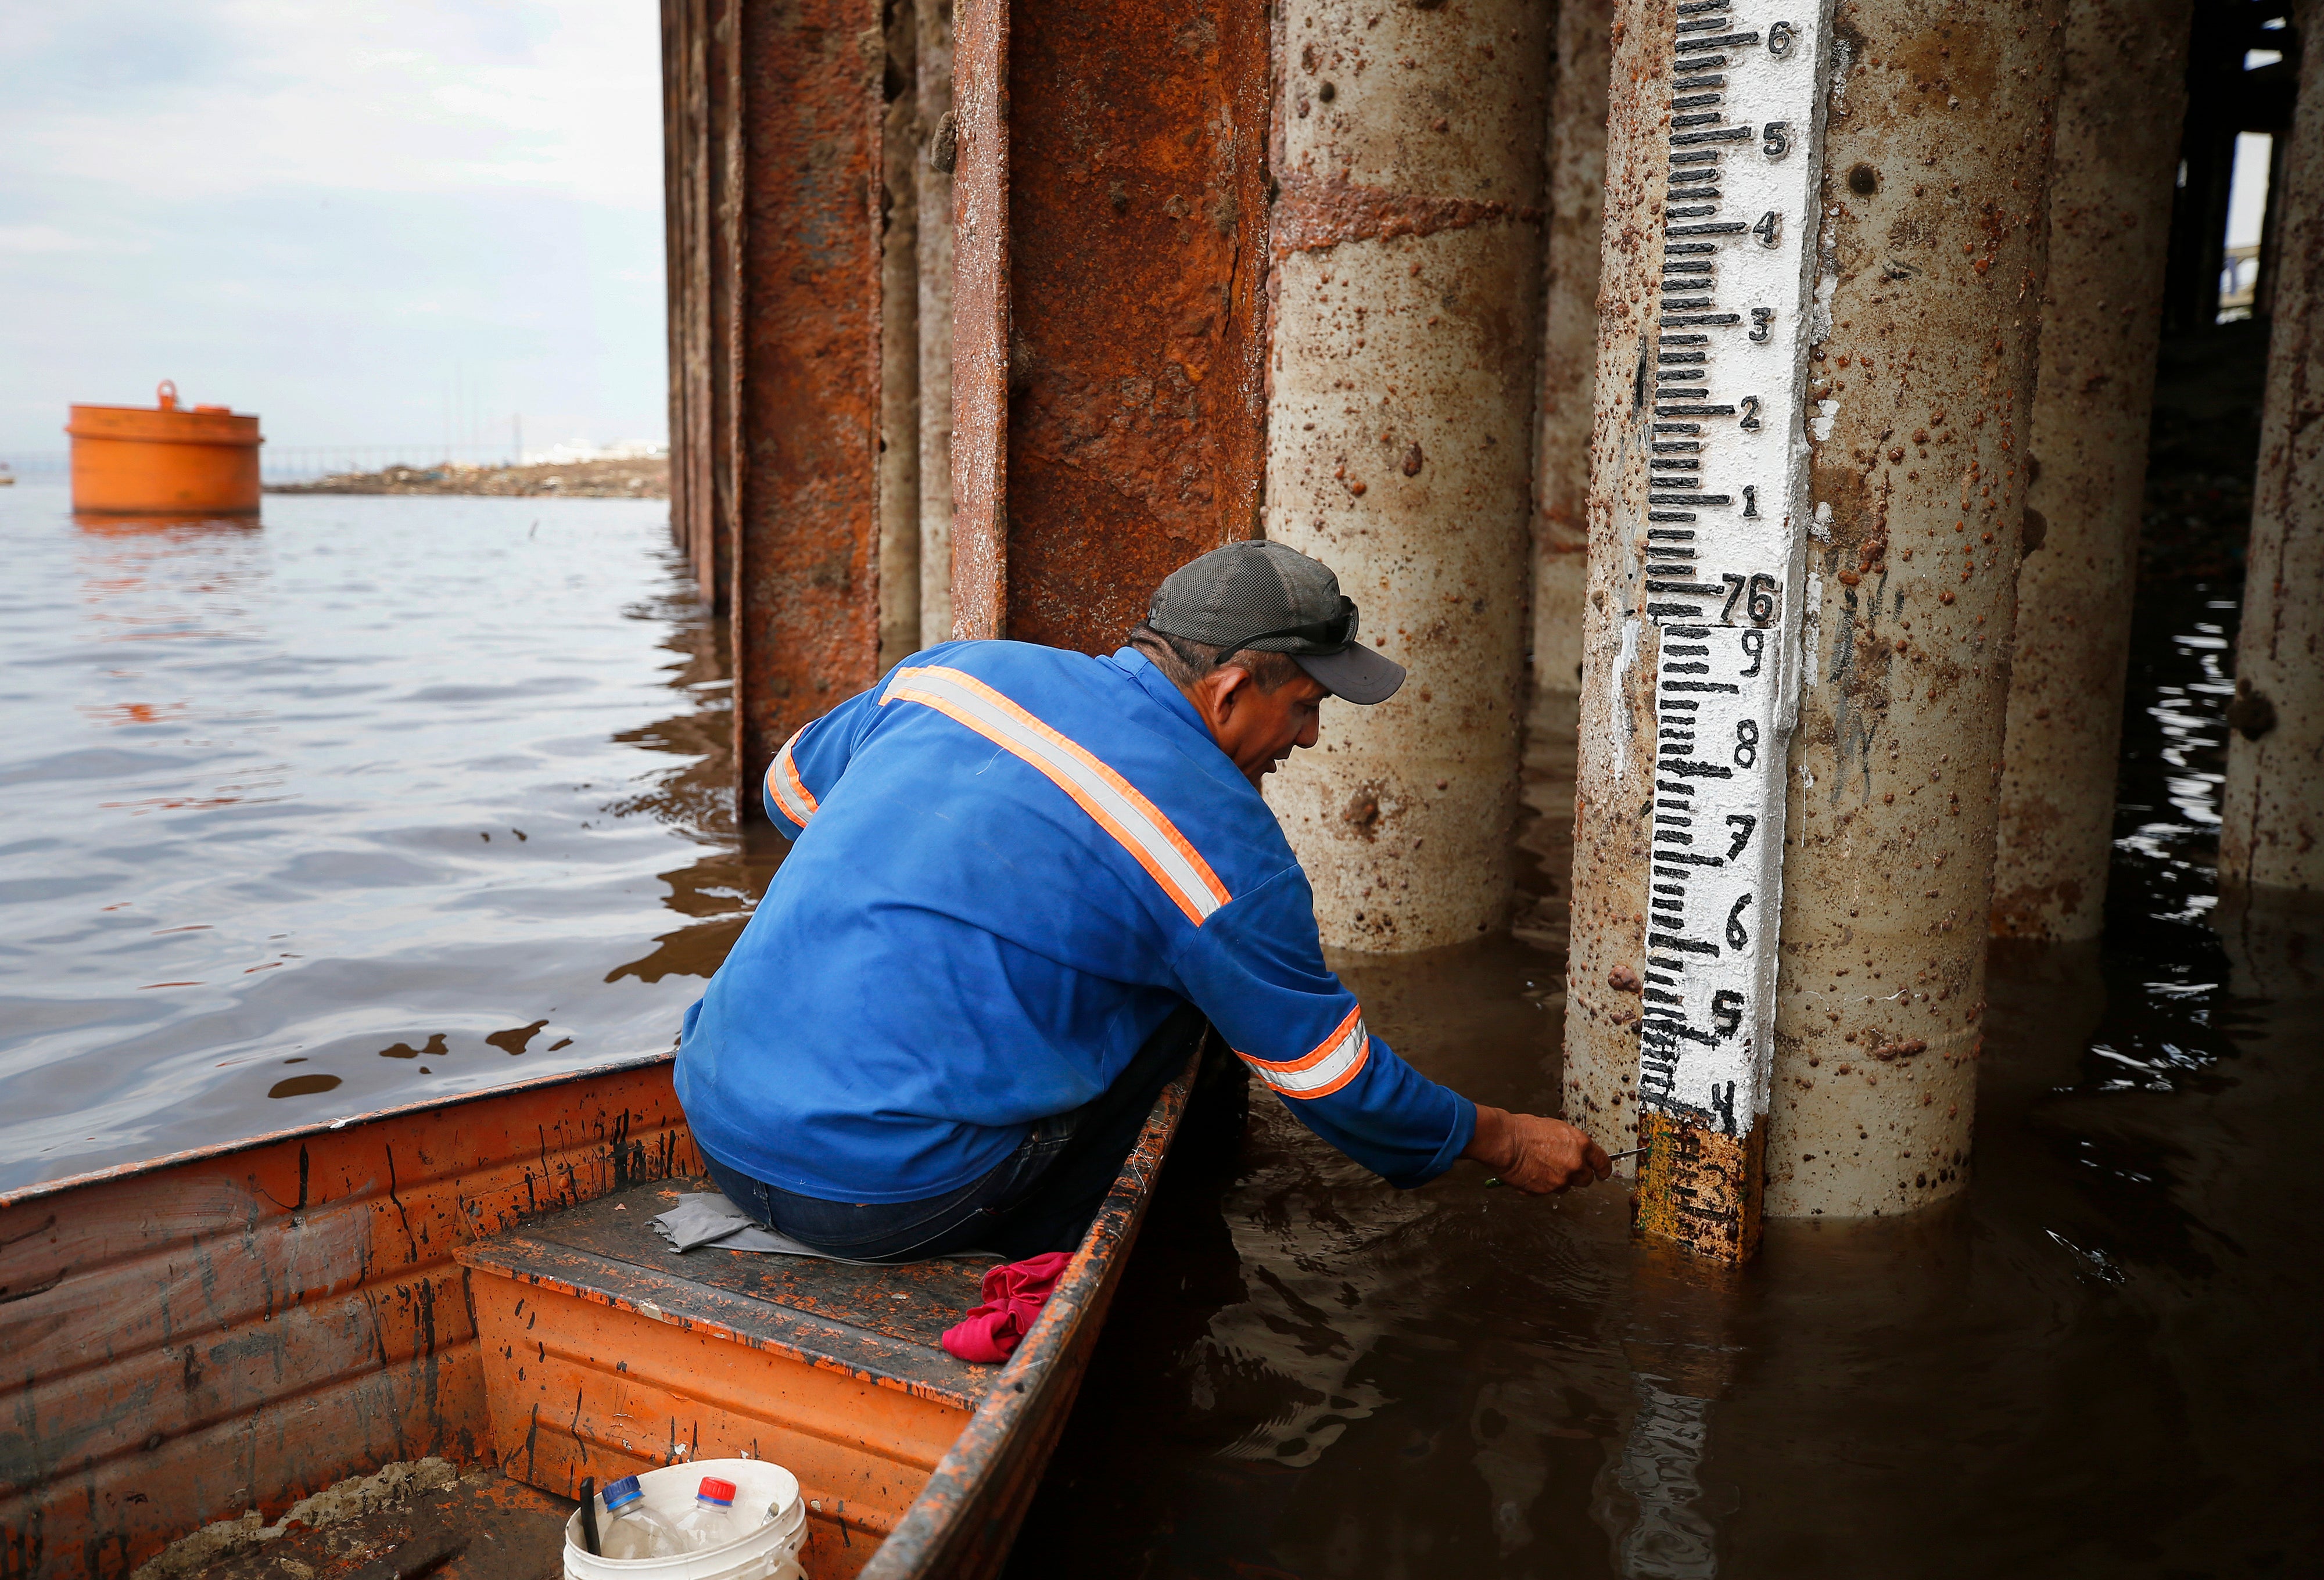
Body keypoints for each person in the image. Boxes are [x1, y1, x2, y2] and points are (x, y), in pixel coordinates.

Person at [675, 541, 1611, 1262]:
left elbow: (789, 795)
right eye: (1306, 705)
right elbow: (1329, 1079)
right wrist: (1501, 1137)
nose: (1314, 737)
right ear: (1232, 690)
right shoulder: (1229, 859)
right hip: (888, 1201)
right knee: (1195, 1011)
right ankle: (1102, 1250)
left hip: (713, 1114)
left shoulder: (956, 674)